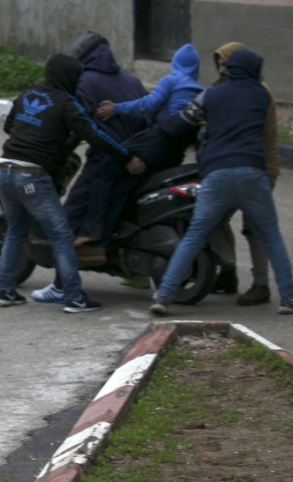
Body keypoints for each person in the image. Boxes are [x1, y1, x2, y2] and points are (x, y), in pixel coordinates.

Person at [0, 54, 145, 313]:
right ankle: (73, 297)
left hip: (5, 171)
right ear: (69, 76)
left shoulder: (27, 95)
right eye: (78, 76)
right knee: (62, 235)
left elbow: (10, 126)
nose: (81, 80)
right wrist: (127, 157)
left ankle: (6, 291)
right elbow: (95, 136)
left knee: (16, 232)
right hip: (32, 176)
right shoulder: (66, 103)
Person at [150, 50, 293, 316]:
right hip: (252, 174)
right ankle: (288, 297)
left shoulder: (210, 95)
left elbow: (178, 124)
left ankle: (163, 295)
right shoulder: (262, 96)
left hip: (217, 175)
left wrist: (160, 112)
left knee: (194, 236)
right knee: (271, 235)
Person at [71, 44, 204, 248]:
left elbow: (148, 105)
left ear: (175, 63)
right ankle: (103, 243)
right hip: (174, 154)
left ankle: (91, 231)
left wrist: (116, 108)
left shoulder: (172, 81)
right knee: (123, 186)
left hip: (156, 142)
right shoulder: (199, 91)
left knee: (103, 171)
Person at [53, 32, 149, 270]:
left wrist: (60, 149)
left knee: (71, 213)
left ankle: (63, 282)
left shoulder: (85, 81)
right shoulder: (133, 81)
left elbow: (78, 125)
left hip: (105, 158)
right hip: (137, 157)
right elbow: (147, 118)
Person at [203, 42, 282, 305]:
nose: (221, 68)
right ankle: (228, 272)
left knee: (255, 229)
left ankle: (261, 285)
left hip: (258, 166)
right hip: (242, 164)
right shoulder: (224, 88)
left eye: (224, 63)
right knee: (215, 220)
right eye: (219, 64)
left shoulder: (259, 92)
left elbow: (258, 132)